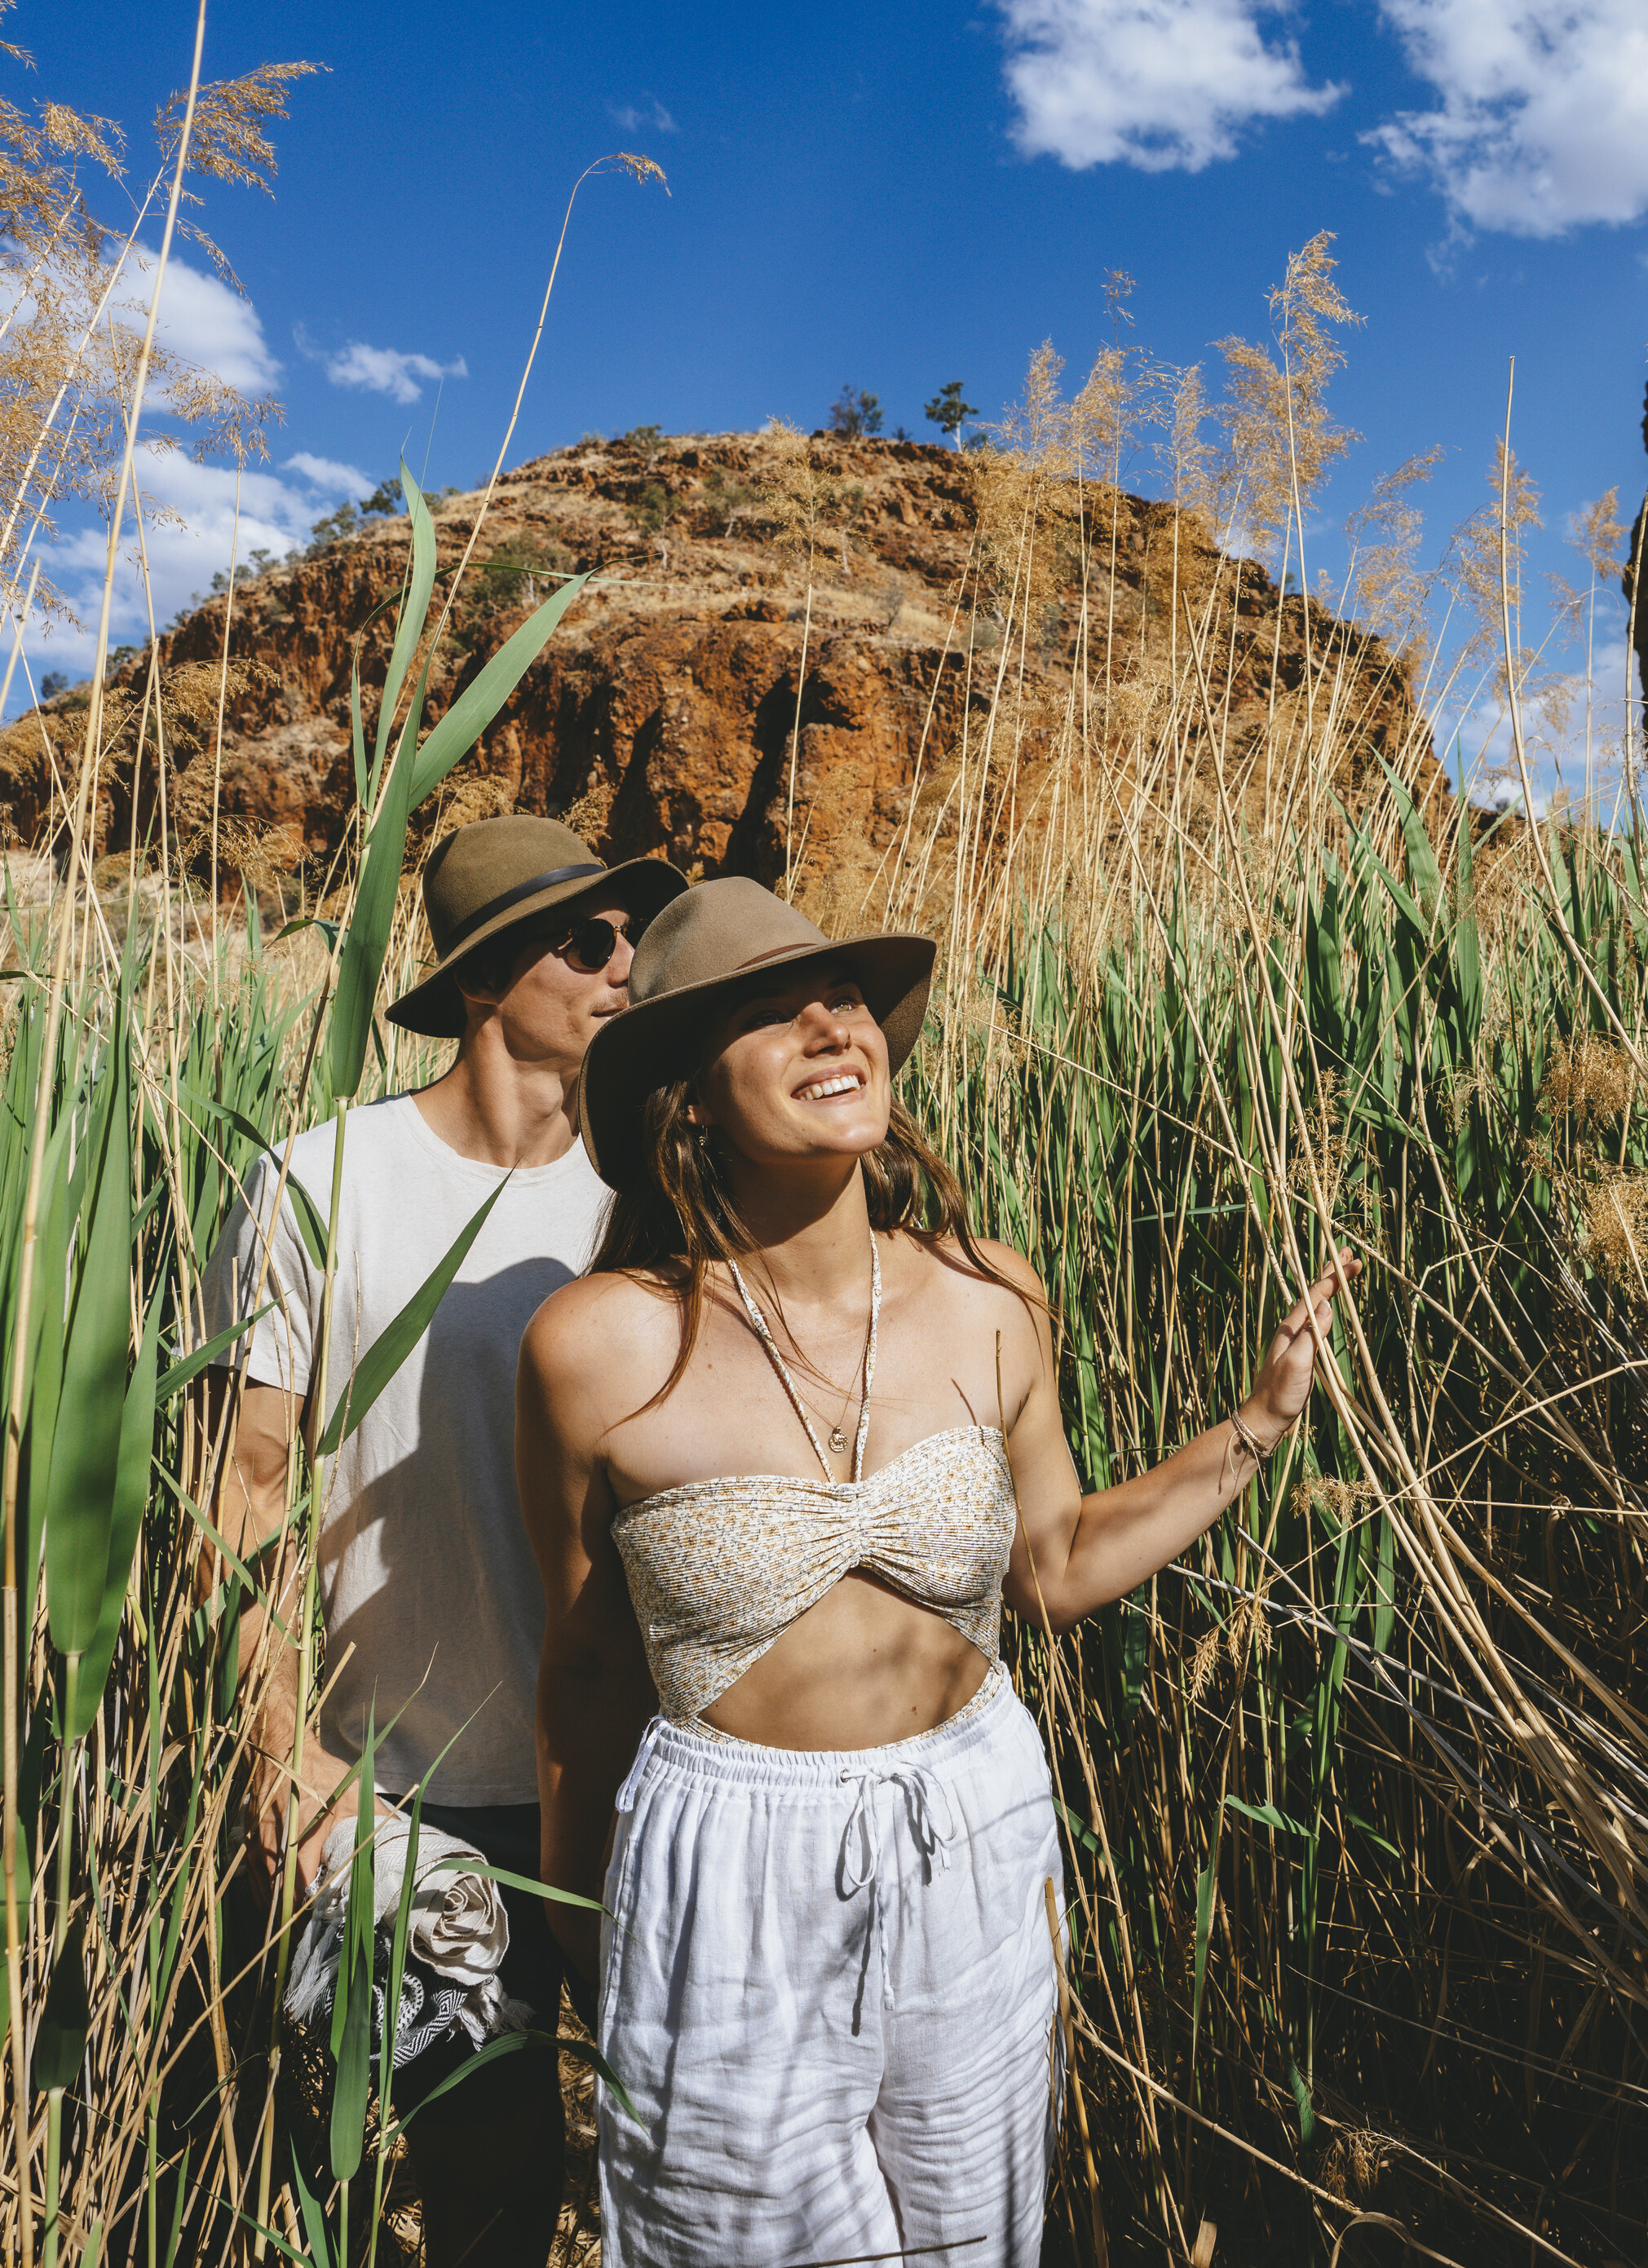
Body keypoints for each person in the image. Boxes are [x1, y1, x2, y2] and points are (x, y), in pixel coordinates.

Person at [517, 879, 1353, 2267]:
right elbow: (588, 1667)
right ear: (688, 1097)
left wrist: (1255, 1427)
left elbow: (1055, 1563)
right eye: (763, 1012)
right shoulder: (595, 1345)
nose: (826, 1023)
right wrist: (588, 1934)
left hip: (972, 1822)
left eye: (840, 996)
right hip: (729, 1859)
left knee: (976, 2233)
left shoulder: (991, 1295)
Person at [210, 814, 686, 2267]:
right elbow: (245, 1488)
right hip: (404, 1792)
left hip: (628, 1773)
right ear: (485, 981)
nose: (624, 965)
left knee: (674, 2157)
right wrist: (287, 1760)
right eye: (586, 940)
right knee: (486, 2180)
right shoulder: (317, 1181)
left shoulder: (649, 1198)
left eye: (632, 941)